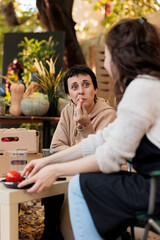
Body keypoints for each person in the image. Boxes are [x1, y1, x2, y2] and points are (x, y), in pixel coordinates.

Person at [19, 17, 160, 240]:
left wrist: (55, 170)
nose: (105, 63)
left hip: (154, 191)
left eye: (107, 53)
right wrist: (46, 161)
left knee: (80, 185)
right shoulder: (148, 85)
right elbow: (100, 140)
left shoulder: (142, 89)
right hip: (150, 186)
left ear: (120, 56)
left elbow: (110, 157)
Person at [40, 65, 116, 240]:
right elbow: (56, 146)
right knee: (51, 180)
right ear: (69, 95)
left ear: (95, 89)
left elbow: (98, 156)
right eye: (74, 87)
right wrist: (73, 155)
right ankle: (50, 231)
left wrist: (86, 126)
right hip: (70, 172)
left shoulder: (109, 116)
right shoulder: (67, 111)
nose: (81, 91)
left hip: (95, 176)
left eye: (86, 85)